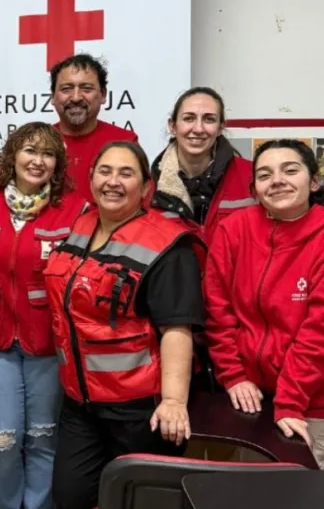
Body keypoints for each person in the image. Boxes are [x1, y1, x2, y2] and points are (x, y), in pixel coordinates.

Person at [44, 142, 205, 508]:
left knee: (140, 501)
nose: (113, 182)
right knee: (71, 497)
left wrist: (174, 401)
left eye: (126, 173)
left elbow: (177, 330)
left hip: (139, 410)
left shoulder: (167, 245)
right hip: (81, 404)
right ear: (91, 179)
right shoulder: (80, 225)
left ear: (147, 187)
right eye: (105, 171)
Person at [204, 139, 324, 471]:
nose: (277, 180)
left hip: (313, 401)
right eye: (264, 174)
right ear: (255, 188)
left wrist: (290, 403)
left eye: (290, 170)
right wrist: (233, 376)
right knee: (248, 493)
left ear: (314, 181)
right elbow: (218, 312)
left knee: (301, 493)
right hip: (248, 395)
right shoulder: (233, 231)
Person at [0, 122, 83, 509]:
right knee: (3, 439)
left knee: (43, 438)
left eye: (48, 154)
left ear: (57, 164)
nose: (38, 160)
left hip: (47, 343)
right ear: (12, 156)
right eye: (30, 151)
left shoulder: (75, 210)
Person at [150, 87, 253, 245]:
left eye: (209, 119)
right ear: (172, 126)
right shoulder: (148, 185)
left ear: (220, 128)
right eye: (189, 118)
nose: (198, 129)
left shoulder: (250, 176)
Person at [49, 53, 138, 206]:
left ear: (103, 95)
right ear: (52, 97)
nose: (76, 97)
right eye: (66, 89)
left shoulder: (124, 142)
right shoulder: (37, 144)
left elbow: (137, 203)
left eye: (86, 88)